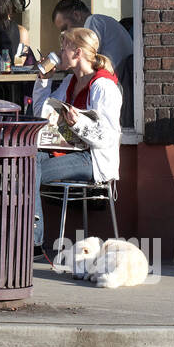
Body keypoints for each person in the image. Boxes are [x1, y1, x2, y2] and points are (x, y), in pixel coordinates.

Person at [28, 26, 122, 254]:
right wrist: (43, 82)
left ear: (78, 52)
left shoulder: (103, 85)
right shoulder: (71, 81)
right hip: (70, 152)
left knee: (29, 170)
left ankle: (33, 241)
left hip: (93, 160)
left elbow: (107, 137)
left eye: (64, 48)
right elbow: (41, 114)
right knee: (26, 160)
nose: (60, 53)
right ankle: (30, 238)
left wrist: (78, 123)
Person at [52, 0, 134, 127]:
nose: (66, 34)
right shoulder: (105, 20)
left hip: (115, 83)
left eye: (65, 27)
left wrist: (64, 59)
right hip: (123, 84)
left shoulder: (93, 21)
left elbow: (86, 55)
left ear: (77, 15)